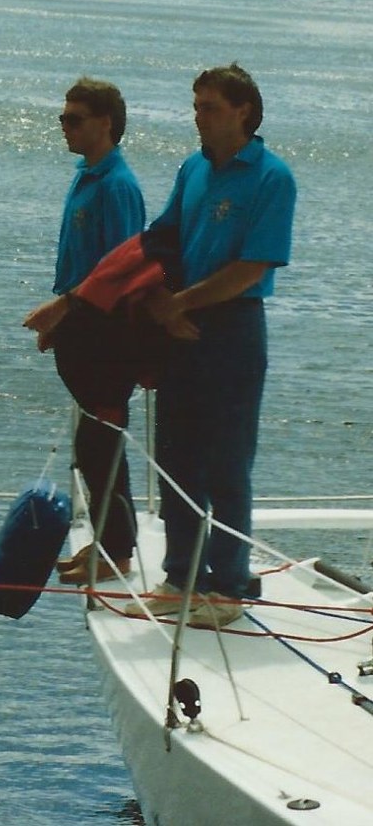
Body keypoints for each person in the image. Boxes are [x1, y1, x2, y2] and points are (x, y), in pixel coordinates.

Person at [125, 63, 296, 628]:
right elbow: (161, 238)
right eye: (196, 106)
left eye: (211, 107)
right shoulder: (193, 168)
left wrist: (181, 304)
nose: (199, 116)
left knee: (227, 461)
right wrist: (160, 299)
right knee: (177, 457)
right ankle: (182, 577)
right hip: (178, 321)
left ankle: (228, 586)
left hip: (232, 327)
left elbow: (254, 265)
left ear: (243, 111)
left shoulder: (272, 177)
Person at [23, 78, 145, 585]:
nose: (64, 127)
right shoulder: (86, 176)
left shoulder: (117, 185)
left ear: (105, 124)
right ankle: (107, 540)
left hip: (106, 336)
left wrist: (67, 311)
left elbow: (122, 267)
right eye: (63, 118)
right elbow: (79, 262)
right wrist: (62, 322)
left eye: (74, 119)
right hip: (81, 326)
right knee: (90, 445)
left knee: (102, 444)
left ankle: (117, 552)